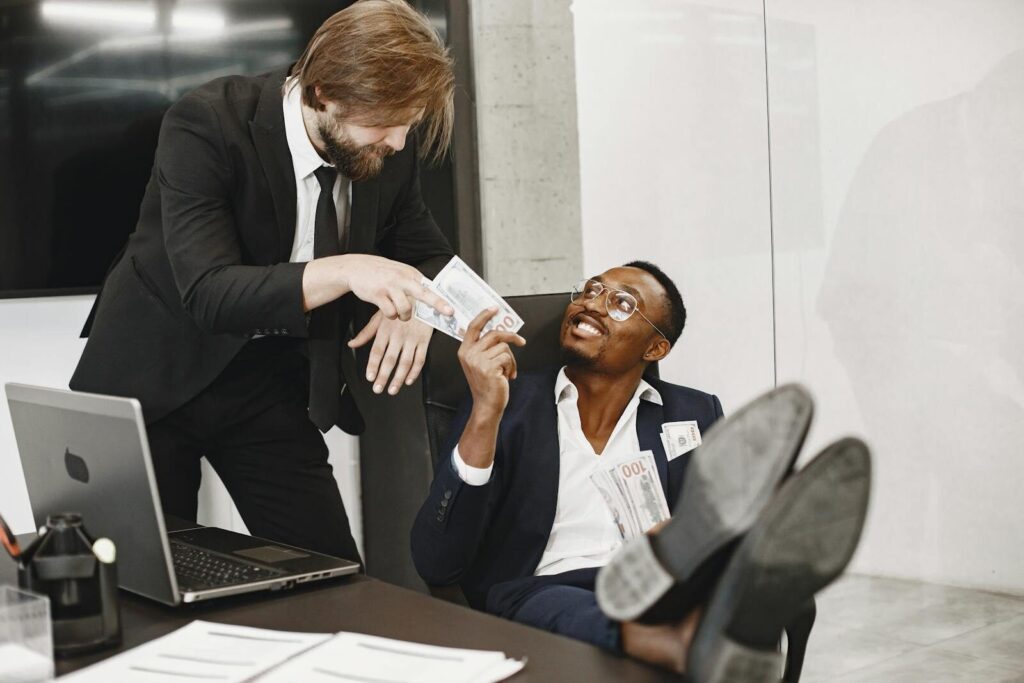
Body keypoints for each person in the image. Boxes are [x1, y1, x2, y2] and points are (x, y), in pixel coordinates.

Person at [70, 0, 458, 563]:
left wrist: (425, 309)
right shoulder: (206, 123)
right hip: (155, 375)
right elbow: (209, 293)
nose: (398, 142)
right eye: (383, 124)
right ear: (322, 92)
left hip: (270, 380)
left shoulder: (387, 146)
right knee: (141, 581)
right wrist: (350, 268)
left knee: (329, 575)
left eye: (408, 125)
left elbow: (431, 257)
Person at [410, 262, 871, 676]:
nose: (592, 304)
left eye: (621, 303)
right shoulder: (504, 399)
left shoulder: (691, 412)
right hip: (540, 586)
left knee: (710, 558)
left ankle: (735, 555)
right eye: (590, 290)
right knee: (576, 606)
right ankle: (682, 632)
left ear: (656, 348)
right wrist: (486, 413)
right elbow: (437, 560)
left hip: (659, 580)